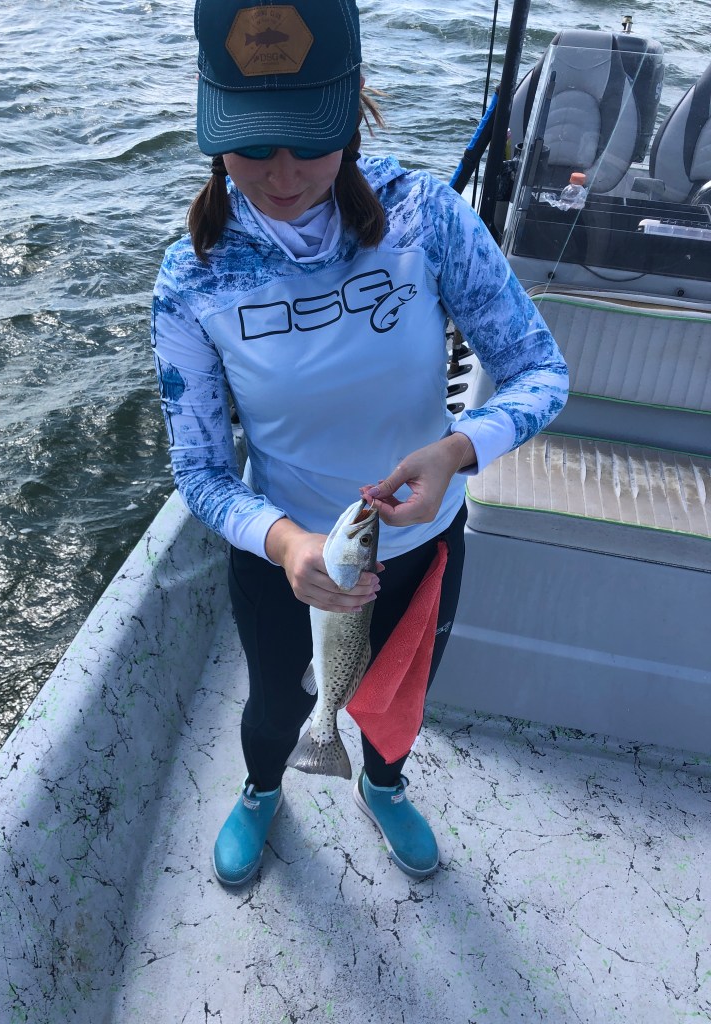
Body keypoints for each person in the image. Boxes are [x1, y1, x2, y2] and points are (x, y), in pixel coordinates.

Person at [151, 0, 568, 887]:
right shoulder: (191, 277)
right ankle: (265, 789)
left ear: (352, 107)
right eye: (252, 143)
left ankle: (384, 782)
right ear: (212, 124)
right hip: (285, 555)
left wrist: (457, 451)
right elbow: (198, 467)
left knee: (402, 698)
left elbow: (539, 371)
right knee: (274, 702)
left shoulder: (429, 219)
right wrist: (286, 541)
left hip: (419, 542)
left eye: (308, 137)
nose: (282, 172)